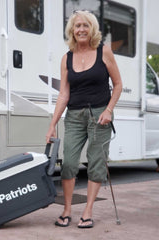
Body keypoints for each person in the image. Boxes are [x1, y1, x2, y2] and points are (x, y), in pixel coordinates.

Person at [46, 10, 122, 228]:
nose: (81, 29)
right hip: (74, 116)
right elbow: (63, 94)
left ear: (92, 29)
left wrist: (108, 110)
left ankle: (87, 210)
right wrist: (52, 125)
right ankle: (67, 209)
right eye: (77, 26)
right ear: (72, 30)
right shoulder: (66, 58)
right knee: (69, 163)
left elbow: (117, 85)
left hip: (100, 115)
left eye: (85, 26)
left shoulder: (104, 52)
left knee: (96, 163)